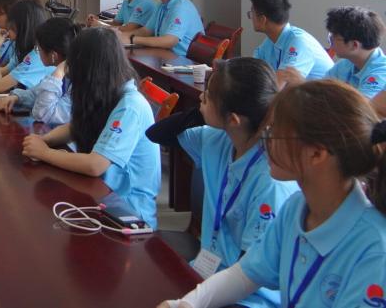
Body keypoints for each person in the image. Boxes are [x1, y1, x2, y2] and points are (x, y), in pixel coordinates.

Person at [158, 79, 386, 308]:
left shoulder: (374, 248)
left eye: (276, 133)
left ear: (316, 154)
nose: (266, 141)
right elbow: (246, 274)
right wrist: (186, 304)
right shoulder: (297, 207)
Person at [146, 58, 298, 307]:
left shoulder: (271, 180)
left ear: (234, 120)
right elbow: (156, 133)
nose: (200, 98)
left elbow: (252, 270)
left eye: (208, 97)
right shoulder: (218, 139)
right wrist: (204, 112)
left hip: (248, 299)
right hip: (206, 274)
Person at [23, 28, 161, 227]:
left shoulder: (130, 106)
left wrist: (45, 153)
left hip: (127, 212)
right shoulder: (108, 93)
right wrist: (44, 140)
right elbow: (76, 126)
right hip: (101, 196)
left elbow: (95, 165)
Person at [2, 18, 79, 124]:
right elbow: (37, 94)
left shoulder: (77, 81)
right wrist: (17, 97)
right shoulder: (62, 72)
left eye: (38, 48)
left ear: (53, 55)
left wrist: (58, 73)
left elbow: (43, 114)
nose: (37, 52)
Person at [249, 0, 333, 85]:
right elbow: (252, 71)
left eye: (251, 13)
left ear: (262, 19)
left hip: (322, 94)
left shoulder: (299, 42)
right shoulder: (270, 41)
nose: (250, 18)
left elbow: (278, 87)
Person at [324, 6, 386, 116]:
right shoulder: (345, 64)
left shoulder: (380, 73)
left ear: (354, 45)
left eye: (333, 39)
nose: (330, 42)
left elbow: (358, 111)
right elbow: (320, 93)